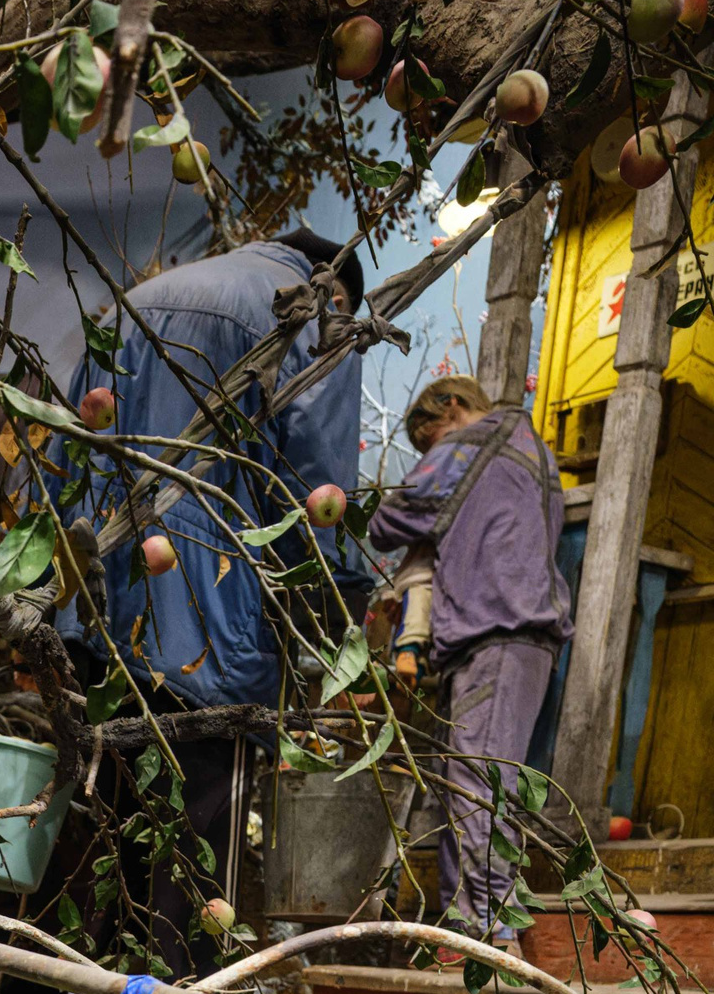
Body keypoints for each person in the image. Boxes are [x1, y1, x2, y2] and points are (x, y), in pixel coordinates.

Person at [94, 226, 367, 912]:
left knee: (102, 832)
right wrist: (333, 622)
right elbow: (318, 498)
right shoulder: (310, 314)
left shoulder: (136, 300)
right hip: (214, 623)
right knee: (190, 852)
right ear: (336, 288)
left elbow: (73, 449)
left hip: (102, 608)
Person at [367, 374, 573, 945]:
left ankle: (483, 936)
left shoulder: (476, 438)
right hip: (524, 635)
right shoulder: (532, 451)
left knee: (476, 786)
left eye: (428, 441)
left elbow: (389, 521)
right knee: (492, 780)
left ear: (452, 407)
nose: (431, 454)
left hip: (495, 629)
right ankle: (486, 927)